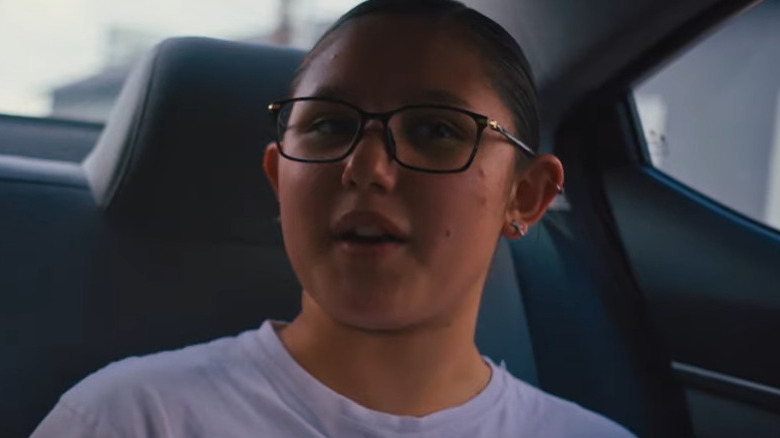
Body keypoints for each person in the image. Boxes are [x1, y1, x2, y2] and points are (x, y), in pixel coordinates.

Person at [32, 0, 636, 436]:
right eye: (329, 126)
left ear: (524, 196)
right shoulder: (128, 419)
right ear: (280, 180)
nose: (365, 167)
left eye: (435, 130)